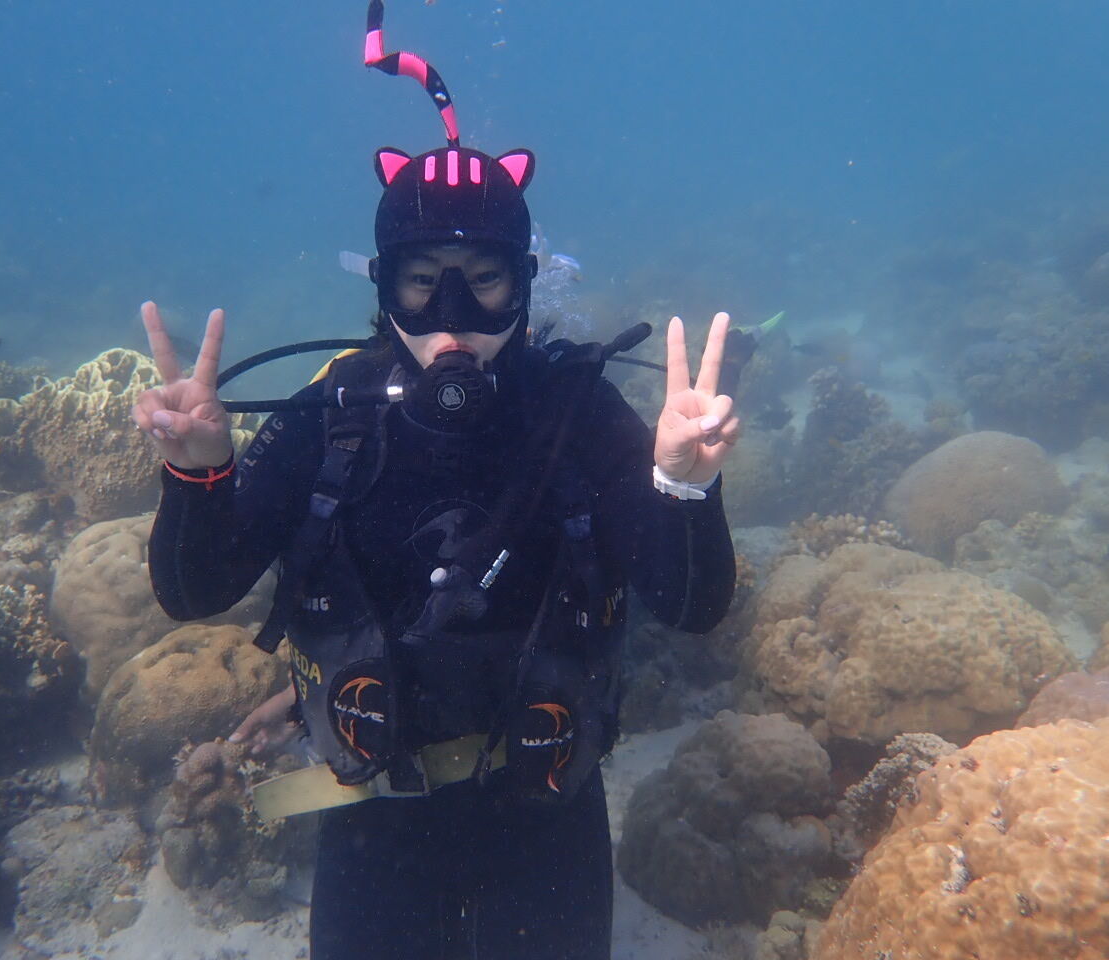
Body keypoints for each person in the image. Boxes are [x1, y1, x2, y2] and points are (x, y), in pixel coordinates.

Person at [131, 4, 739, 957]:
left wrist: (686, 488)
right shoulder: (332, 415)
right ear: (381, 284)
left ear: (526, 283)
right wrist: (195, 475)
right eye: (422, 279)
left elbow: (691, 603)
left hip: (546, 805)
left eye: (484, 279)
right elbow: (192, 590)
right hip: (374, 815)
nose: (452, 314)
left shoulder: (577, 413)